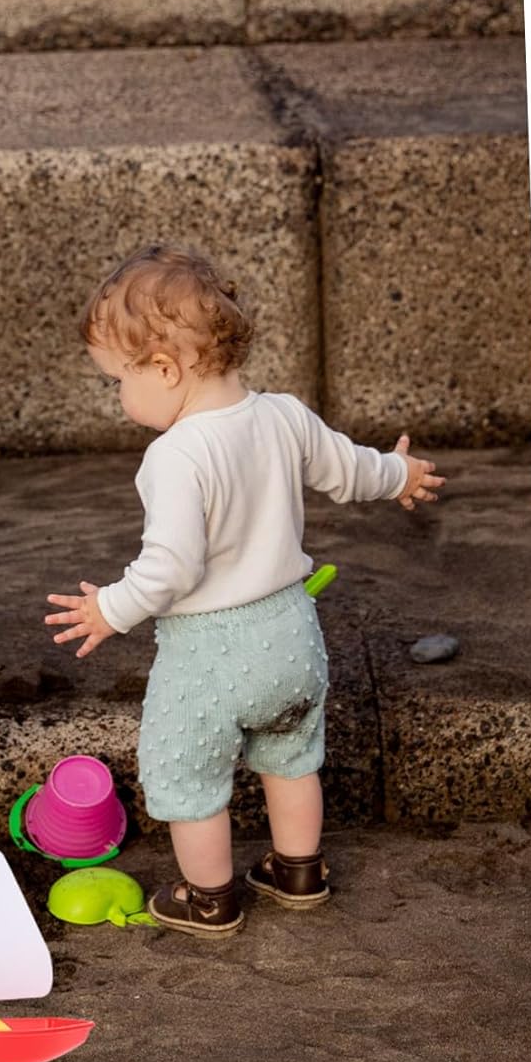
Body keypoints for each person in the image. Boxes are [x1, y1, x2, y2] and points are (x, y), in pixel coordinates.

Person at [44, 244, 445, 936]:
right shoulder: (283, 415)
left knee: (190, 779)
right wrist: (399, 473)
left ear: (164, 368)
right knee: (291, 762)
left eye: (118, 380)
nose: (120, 397)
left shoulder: (175, 455)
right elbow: (352, 471)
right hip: (291, 633)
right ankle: (298, 871)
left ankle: (209, 899)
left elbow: (171, 568)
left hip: (211, 655)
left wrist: (110, 608)